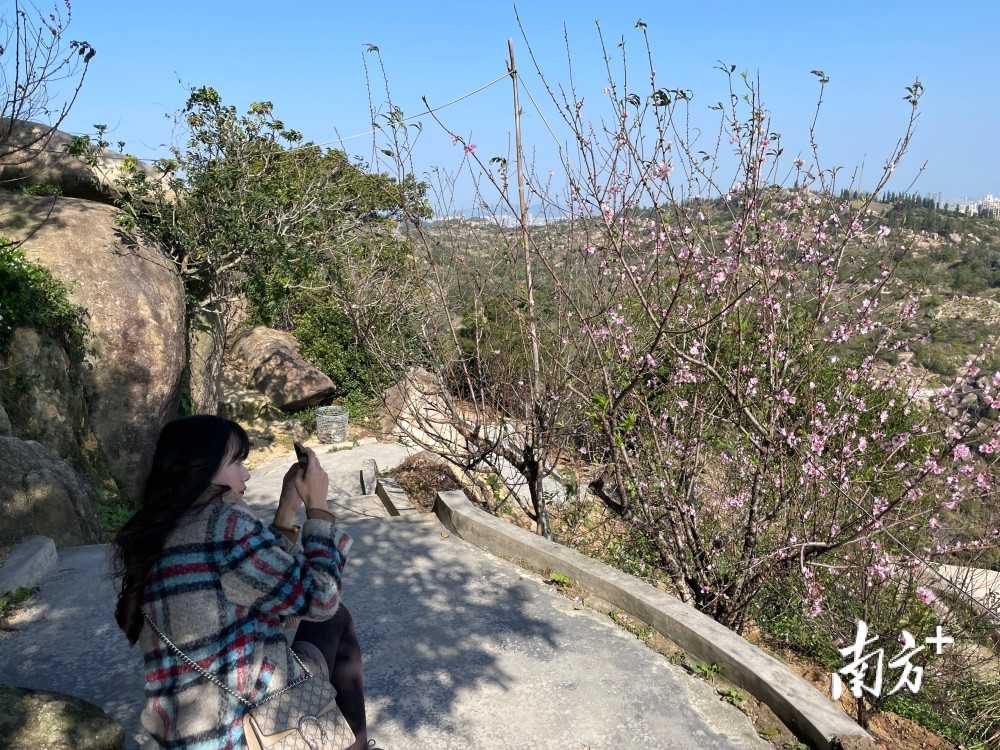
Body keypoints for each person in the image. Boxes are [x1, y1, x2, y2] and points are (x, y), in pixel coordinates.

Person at [112, 414, 380, 750]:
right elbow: (320, 597)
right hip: (244, 730)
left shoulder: (157, 531)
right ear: (205, 467)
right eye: (237, 462)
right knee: (336, 617)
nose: (247, 474)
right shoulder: (226, 524)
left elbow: (255, 581)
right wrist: (317, 508)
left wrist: (287, 507)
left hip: (184, 733)